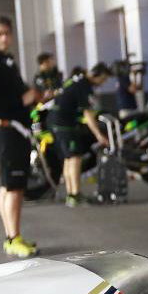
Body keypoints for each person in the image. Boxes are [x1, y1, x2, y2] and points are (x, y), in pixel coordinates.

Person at [0, 15, 41, 258]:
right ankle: (14, 238)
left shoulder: (7, 61)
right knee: (14, 186)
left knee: (8, 185)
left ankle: (11, 237)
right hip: (6, 130)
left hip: (13, 130)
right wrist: (23, 99)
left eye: (7, 33)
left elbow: (20, 90)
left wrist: (31, 96)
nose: (4, 38)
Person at [50, 63, 112, 207]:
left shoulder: (75, 80)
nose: (102, 83)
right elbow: (88, 114)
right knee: (75, 157)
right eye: (103, 79)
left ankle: (71, 194)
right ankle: (75, 194)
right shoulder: (84, 85)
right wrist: (99, 135)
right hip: (65, 124)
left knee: (68, 158)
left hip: (55, 122)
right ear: (97, 75)